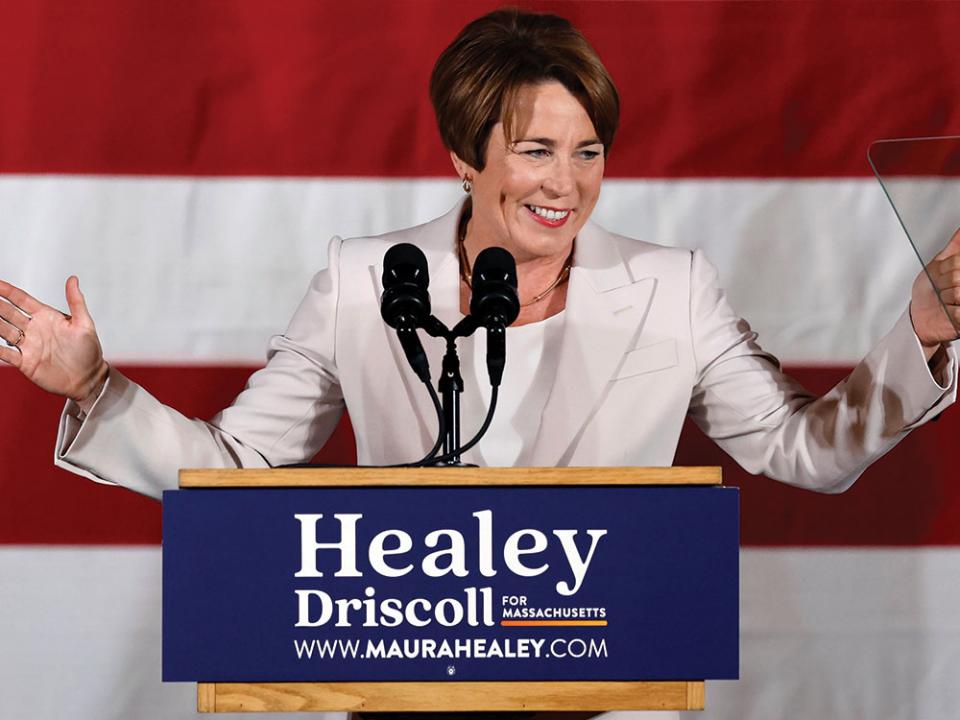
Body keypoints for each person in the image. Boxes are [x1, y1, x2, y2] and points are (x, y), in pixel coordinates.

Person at [0, 10, 958, 716]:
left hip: (611, 695)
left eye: (588, 152)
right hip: (405, 694)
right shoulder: (364, 281)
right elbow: (234, 471)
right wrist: (94, 386)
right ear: (465, 153)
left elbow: (808, 452)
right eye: (536, 150)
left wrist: (920, 331)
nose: (566, 184)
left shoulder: (675, 287)